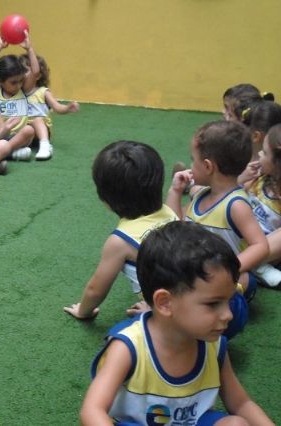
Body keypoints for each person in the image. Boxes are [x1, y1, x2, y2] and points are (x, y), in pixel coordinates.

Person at [80, 221, 274, 426]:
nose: (228, 314)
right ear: (165, 303)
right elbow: (92, 410)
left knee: (236, 424)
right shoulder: (128, 348)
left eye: (229, 300)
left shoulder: (214, 345)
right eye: (213, 304)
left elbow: (241, 404)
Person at [167, 120, 267, 338]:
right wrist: (175, 192)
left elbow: (260, 245)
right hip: (195, 272)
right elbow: (176, 229)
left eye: (193, 160)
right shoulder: (201, 195)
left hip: (222, 282)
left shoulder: (236, 205)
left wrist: (227, 269)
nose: (190, 165)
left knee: (242, 284)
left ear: (208, 166)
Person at [63, 141, 178, 319]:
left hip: (179, 317)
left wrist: (82, 311)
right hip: (210, 301)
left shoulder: (121, 241)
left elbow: (95, 290)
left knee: (122, 333)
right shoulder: (170, 212)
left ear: (105, 197)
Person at [0, 32, 37, 161]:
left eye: (21, 80)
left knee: (29, 130)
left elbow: (35, 72)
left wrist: (29, 49)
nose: (18, 85)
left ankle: (3, 153)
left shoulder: (23, 89)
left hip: (18, 137)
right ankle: (10, 153)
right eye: (13, 82)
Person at [18, 54, 80, 160]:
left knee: (37, 120)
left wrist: (67, 108)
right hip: (24, 131)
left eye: (25, 71)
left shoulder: (43, 92)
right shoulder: (16, 93)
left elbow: (57, 107)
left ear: (37, 75)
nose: (21, 75)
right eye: (20, 71)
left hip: (40, 131)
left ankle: (45, 145)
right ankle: (17, 149)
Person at [243, 124, 281, 287]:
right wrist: (242, 178)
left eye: (264, 152)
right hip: (241, 234)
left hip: (264, 246)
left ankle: (254, 264)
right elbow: (233, 195)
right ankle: (256, 266)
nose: (259, 154)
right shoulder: (258, 178)